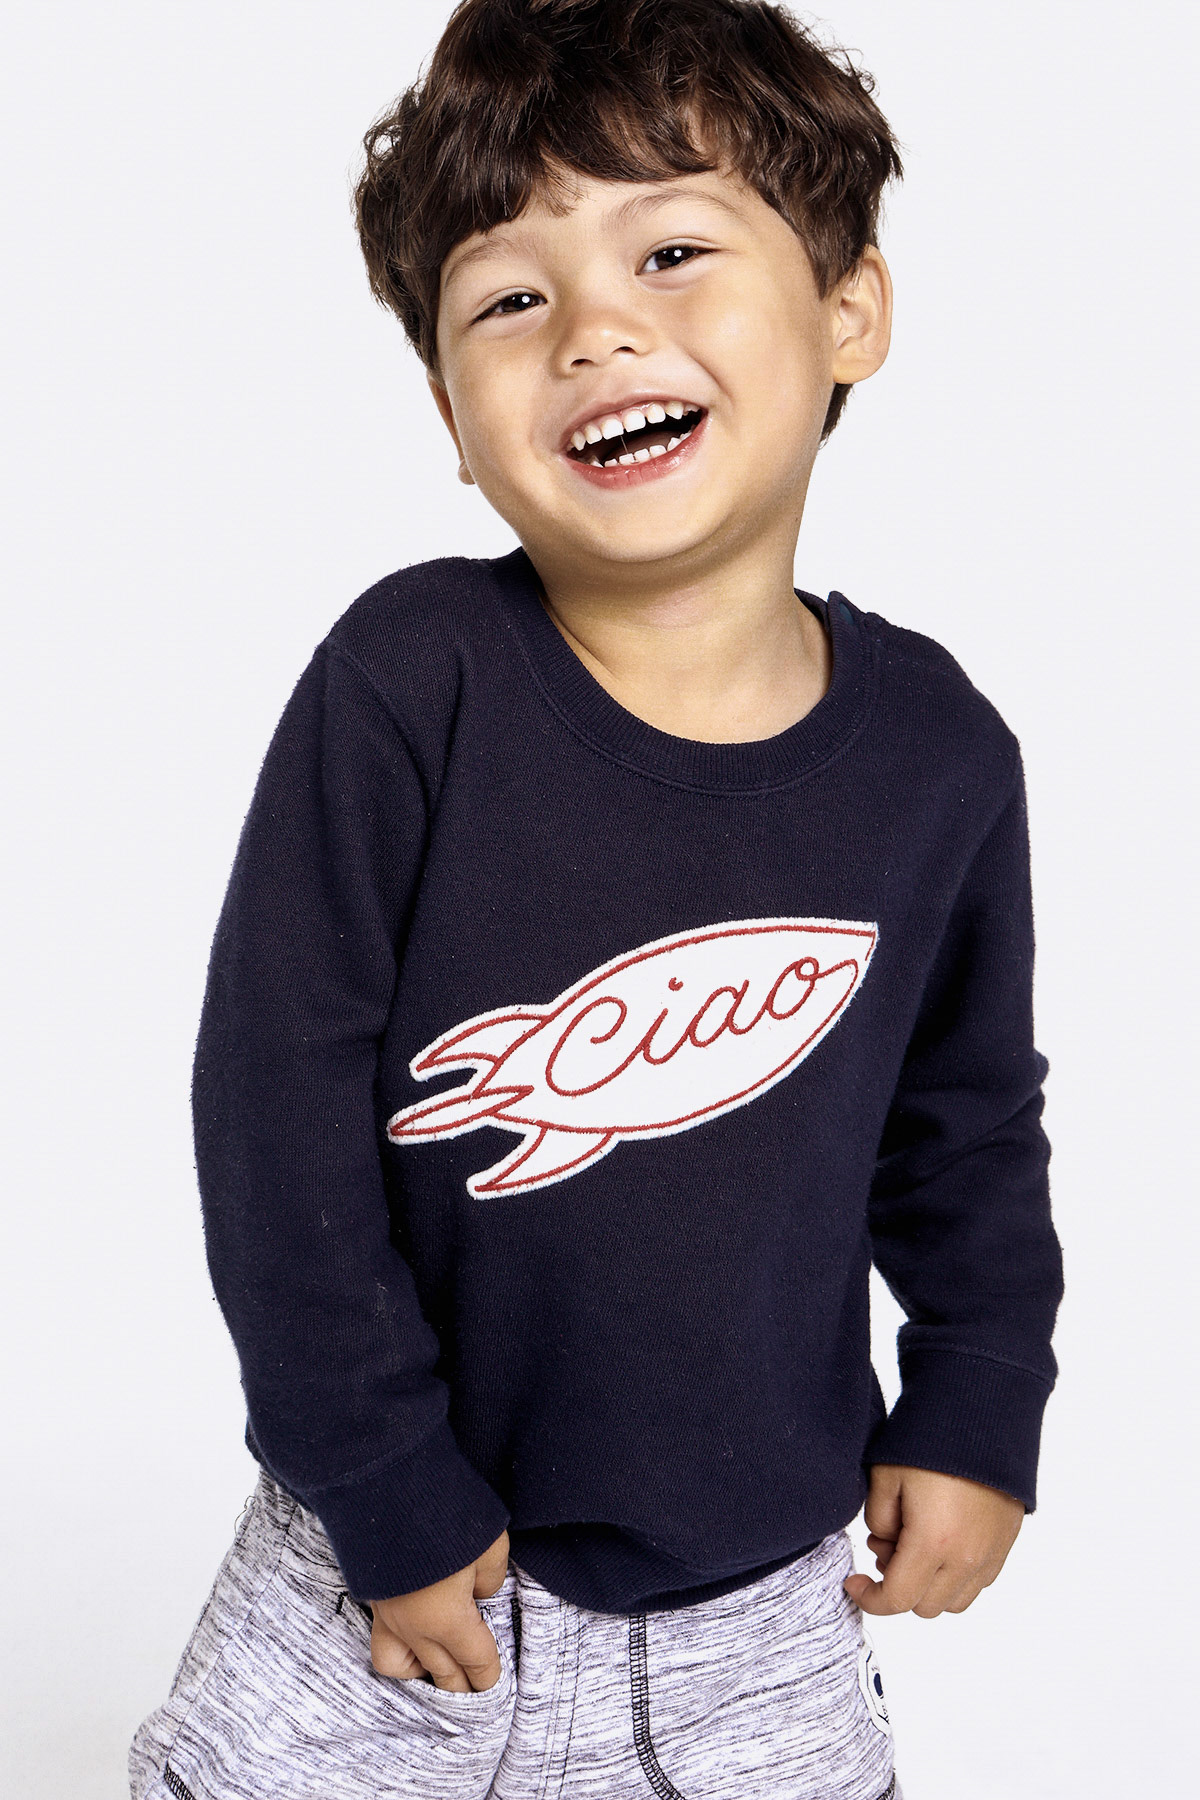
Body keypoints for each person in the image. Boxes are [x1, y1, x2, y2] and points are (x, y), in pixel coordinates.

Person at [129, 2, 1064, 1796]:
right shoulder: (410, 682)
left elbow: (965, 1126)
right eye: (508, 299)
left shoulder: (939, 751)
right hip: (401, 1580)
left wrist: (976, 1401)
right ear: (449, 415)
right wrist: (380, 1483)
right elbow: (271, 1117)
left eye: (672, 251)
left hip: (768, 1606)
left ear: (850, 308)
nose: (593, 331)